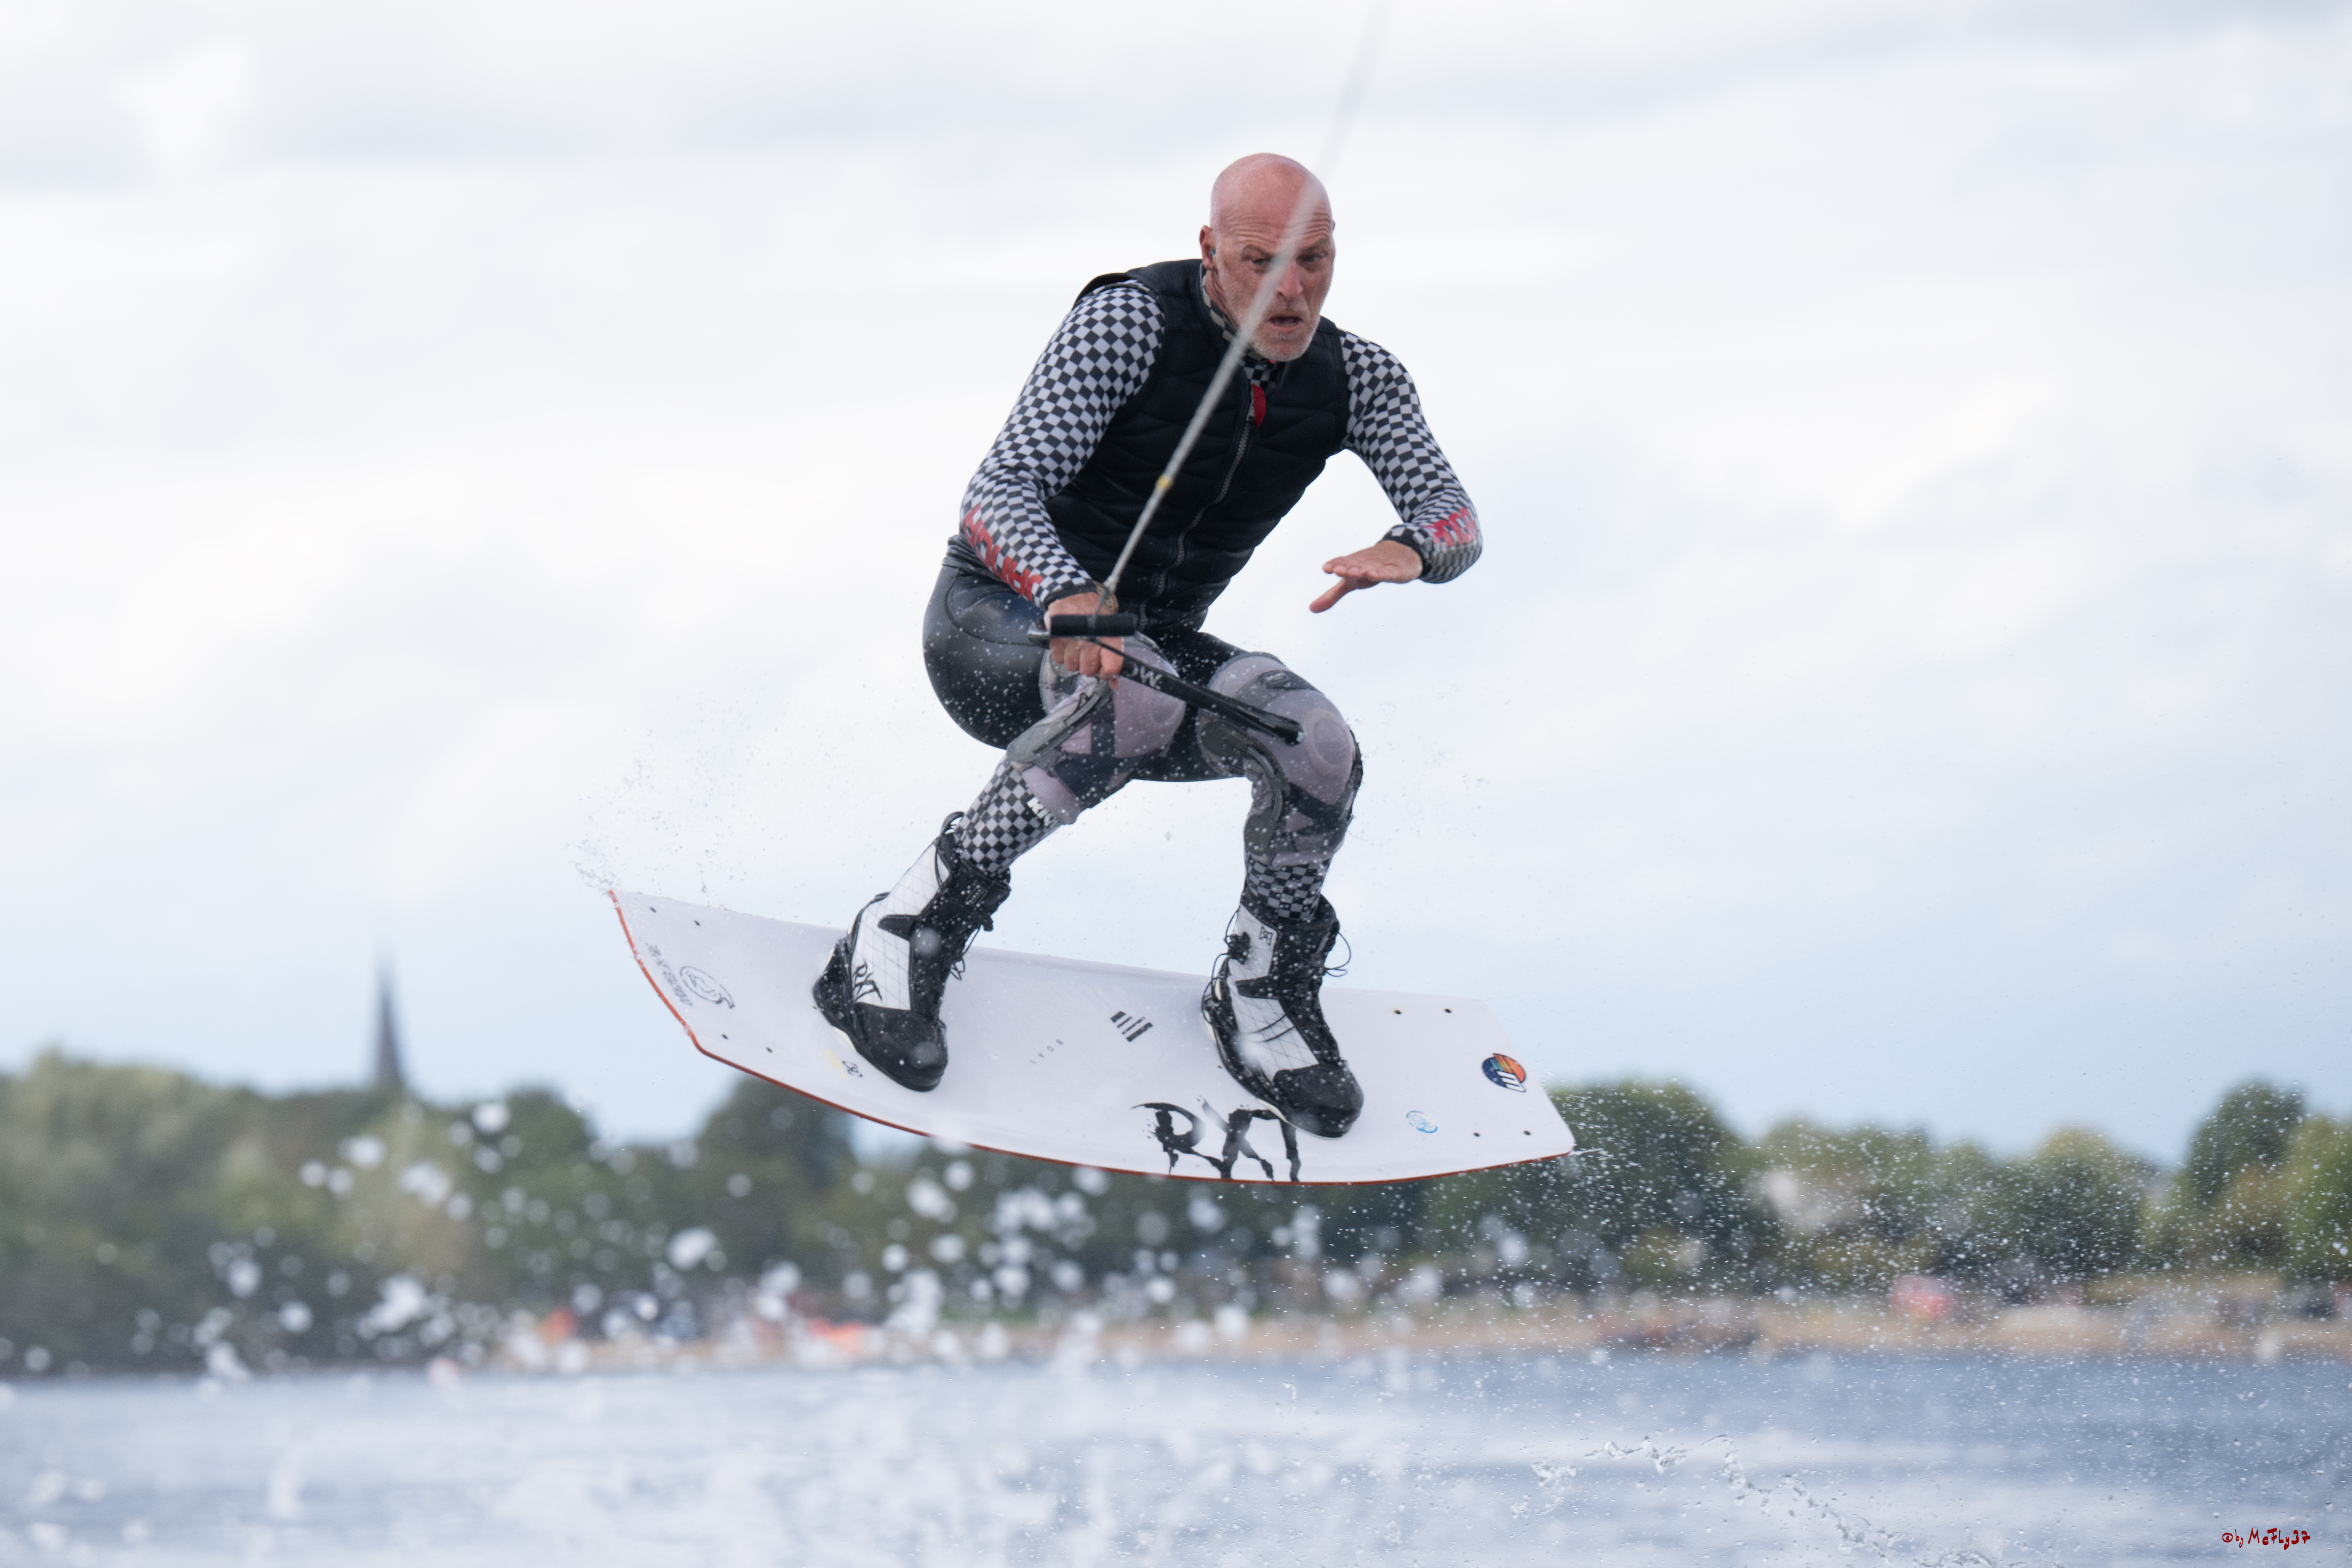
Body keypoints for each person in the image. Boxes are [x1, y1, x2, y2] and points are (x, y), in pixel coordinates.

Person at [814, 153, 1481, 1139]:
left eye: (1315, 261)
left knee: (1317, 744)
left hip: (1151, 659)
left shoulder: (1359, 378)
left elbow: (1456, 516)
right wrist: (1068, 594)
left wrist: (1413, 548)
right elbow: (997, 494)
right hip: (996, 625)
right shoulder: (1131, 322)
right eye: (1262, 263)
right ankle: (911, 919)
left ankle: (1260, 984)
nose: (1292, 292)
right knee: (1139, 685)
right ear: (1211, 251)